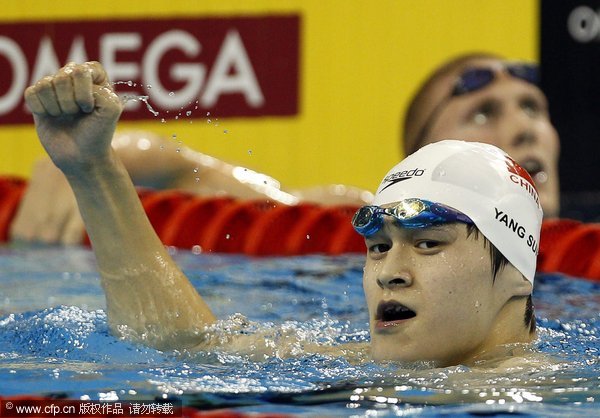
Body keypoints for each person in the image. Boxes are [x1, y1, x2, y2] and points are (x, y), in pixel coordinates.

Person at [23, 62, 541, 367]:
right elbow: (185, 347)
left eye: (428, 243)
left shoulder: (568, 392)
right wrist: (94, 170)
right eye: (378, 246)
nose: (389, 271)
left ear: (519, 270)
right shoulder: (358, 365)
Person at [402, 52, 560, 218]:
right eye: (482, 115)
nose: (524, 129)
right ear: (420, 164)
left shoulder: (589, 240)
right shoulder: (379, 239)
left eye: (531, 108)